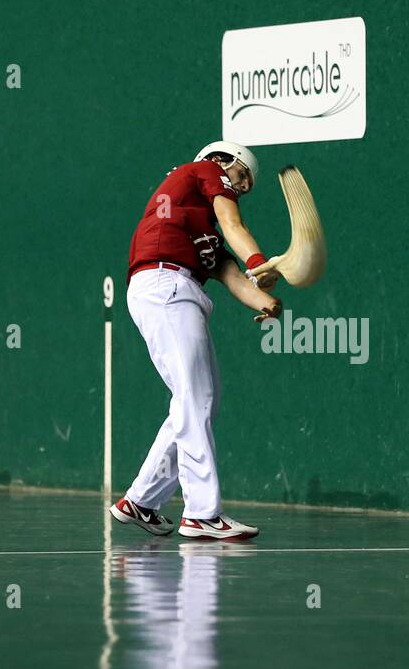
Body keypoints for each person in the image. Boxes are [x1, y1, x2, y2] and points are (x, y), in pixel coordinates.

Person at [110, 141, 281, 541]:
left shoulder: (202, 234)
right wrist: (259, 260)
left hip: (169, 290)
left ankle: (142, 500)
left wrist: (268, 299)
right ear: (221, 161)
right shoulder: (200, 169)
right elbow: (235, 224)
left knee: (201, 397)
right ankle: (202, 513)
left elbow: (233, 275)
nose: (240, 188)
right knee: (195, 397)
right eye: (241, 177)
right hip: (166, 284)